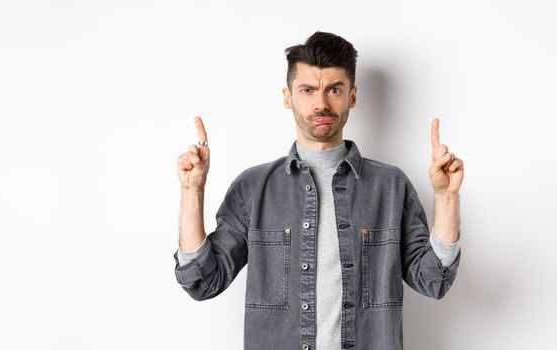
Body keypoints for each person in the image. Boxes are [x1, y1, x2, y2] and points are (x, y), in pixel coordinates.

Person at [173, 31, 463, 350]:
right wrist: (192, 192)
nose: (321, 103)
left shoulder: (391, 186)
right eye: (308, 89)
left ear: (352, 96)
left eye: (334, 89)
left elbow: (434, 280)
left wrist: (447, 198)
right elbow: (202, 282)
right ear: (288, 96)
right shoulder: (253, 188)